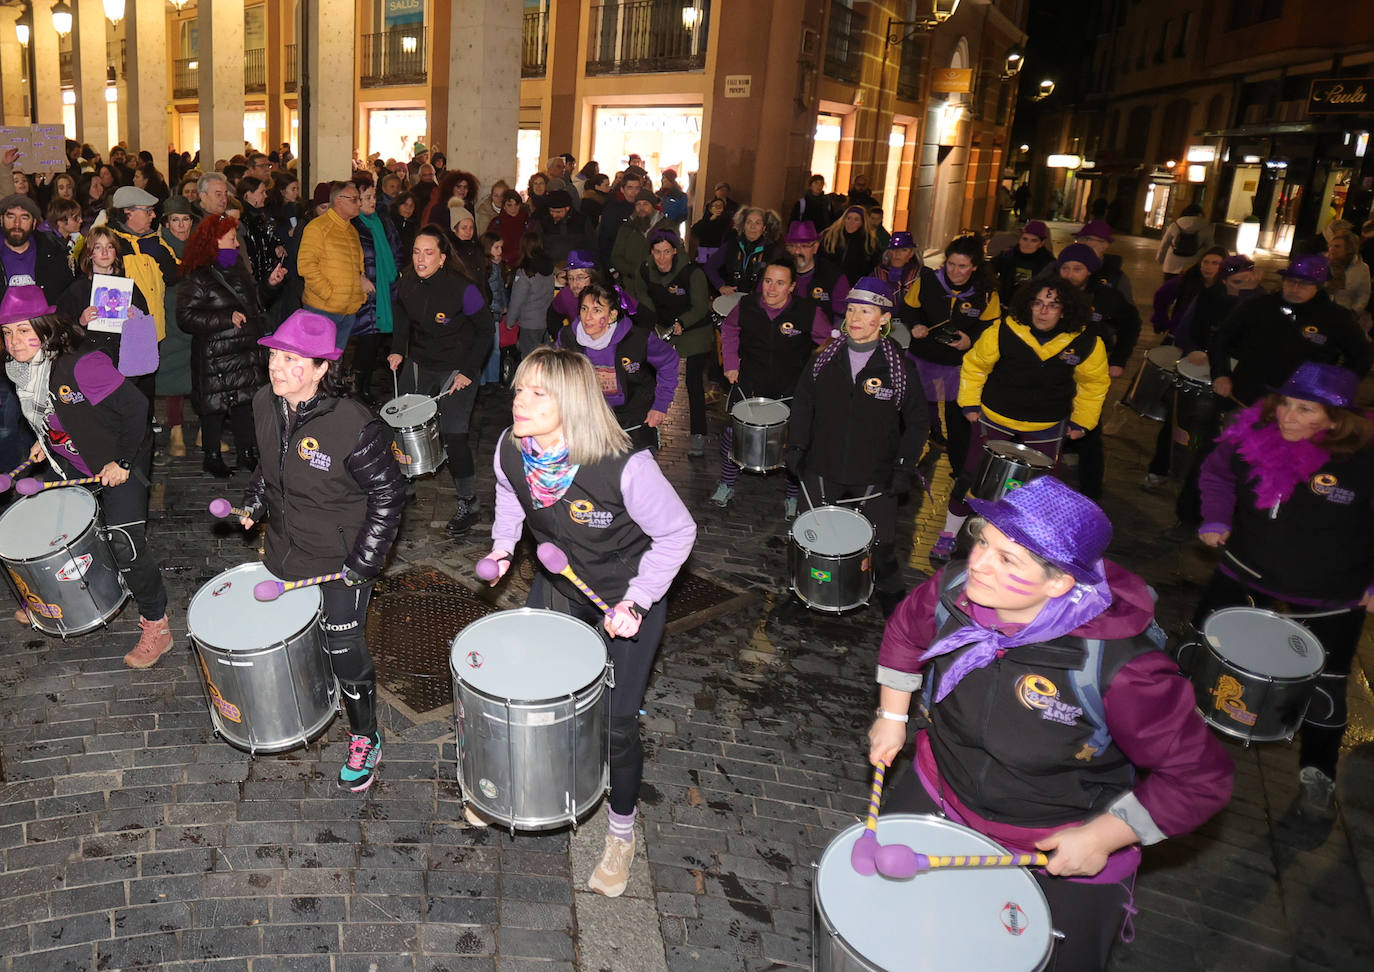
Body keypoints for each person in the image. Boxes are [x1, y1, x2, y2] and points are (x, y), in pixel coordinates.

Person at [871, 475, 1233, 970]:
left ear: (1061, 581)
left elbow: (1200, 779)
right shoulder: (952, 590)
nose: (976, 563)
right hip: (940, 790)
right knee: (886, 922)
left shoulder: (1127, 672)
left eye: (1007, 559)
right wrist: (891, 715)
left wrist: (1103, 838)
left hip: (1053, 840)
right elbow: (905, 631)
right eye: (983, 542)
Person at [483, 346, 696, 896]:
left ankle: (621, 833)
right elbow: (510, 494)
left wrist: (639, 600)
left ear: (572, 400)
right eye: (519, 389)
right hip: (559, 581)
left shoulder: (625, 466)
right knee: (534, 691)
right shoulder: (512, 448)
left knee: (616, 723)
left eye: (538, 393)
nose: (519, 402)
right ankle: (523, 788)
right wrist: (505, 548)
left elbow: (679, 533)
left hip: (624, 596)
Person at [1196, 362, 1373, 822]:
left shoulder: (1363, 461)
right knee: (1200, 650)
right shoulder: (1251, 434)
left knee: (1327, 683)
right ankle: (1174, 730)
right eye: (1286, 405)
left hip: (1330, 592)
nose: (1288, 418)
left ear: (1334, 420)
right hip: (1245, 567)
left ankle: (1318, 772)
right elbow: (1216, 474)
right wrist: (1216, 517)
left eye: (1305, 410)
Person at [241, 311, 405, 791]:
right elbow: (270, 464)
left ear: (319, 369)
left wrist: (363, 563)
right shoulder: (262, 404)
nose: (275, 365)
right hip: (286, 548)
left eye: (290, 358)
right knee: (292, 634)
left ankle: (365, 735)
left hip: (342, 559)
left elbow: (389, 496)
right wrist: (255, 499)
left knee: (344, 646)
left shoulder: (354, 425)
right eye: (274, 353)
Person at [0, 285, 174, 669]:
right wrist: (46, 443)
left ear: (46, 328)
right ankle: (60, 601)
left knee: (125, 542)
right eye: (8, 332)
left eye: (25, 330)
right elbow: (54, 414)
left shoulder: (82, 365)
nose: (15, 341)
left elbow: (136, 409)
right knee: (58, 532)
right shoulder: (23, 368)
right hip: (74, 464)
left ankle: (157, 624)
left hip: (119, 458)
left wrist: (123, 463)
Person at [930, 277, 1109, 561]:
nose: (1043, 311)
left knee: (1038, 490)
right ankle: (949, 534)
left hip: (1047, 426)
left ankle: (1020, 544)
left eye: (1052, 305)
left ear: (1065, 309)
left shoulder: (1086, 342)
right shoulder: (1003, 330)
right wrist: (970, 404)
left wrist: (1082, 422)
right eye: (1037, 303)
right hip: (994, 417)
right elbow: (976, 365)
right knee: (971, 478)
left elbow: (1094, 384)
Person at [787, 278, 927, 616]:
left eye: (865, 311)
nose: (855, 318)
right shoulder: (822, 361)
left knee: (882, 543)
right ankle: (802, 593)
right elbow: (803, 404)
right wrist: (796, 447)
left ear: (883, 319)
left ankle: (891, 598)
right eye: (851, 310)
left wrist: (904, 467)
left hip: (875, 473)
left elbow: (919, 422)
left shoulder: (899, 369)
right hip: (823, 467)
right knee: (813, 538)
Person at [387, 226, 494, 534]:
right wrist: (397, 350)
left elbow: (486, 330)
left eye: (429, 252)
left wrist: (469, 372)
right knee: (401, 424)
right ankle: (405, 484)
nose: (421, 258)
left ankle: (468, 503)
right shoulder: (407, 281)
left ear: (443, 257)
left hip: (457, 368)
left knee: (453, 432)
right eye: (416, 252)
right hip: (421, 362)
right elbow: (403, 314)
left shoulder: (464, 289)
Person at [711, 255, 832, 515]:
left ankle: (792, 496)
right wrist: (730, 363)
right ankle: (726, 483)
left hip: (791, 388)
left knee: (793, 443)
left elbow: (830, 344)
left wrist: (815, 376)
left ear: (791, 287)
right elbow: (730, 329)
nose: (771, 288)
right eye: (767, 281)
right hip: (750, 382)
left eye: (779, 283)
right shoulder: (747, 305)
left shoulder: (808, 312)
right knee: (733, 434)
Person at [178, 213, 284, 477]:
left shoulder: (236, 267)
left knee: (244, 404)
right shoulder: (199, 275)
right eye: (231, 238)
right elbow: (185, 317)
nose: (236, 244)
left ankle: (247, 452)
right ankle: (211, 456)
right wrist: (225, 318)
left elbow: (253, 302)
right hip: (217, 354)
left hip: (244, 349)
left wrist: (270, 285)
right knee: (214, 407)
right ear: (214, 241)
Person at [901, 235, 1001, 479]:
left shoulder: (986, 293)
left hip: (959, 365)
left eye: (963, 266)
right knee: (912, 415)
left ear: (975, 266)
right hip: (923, 359)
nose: (955, 271)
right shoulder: (927, 281)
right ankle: (903, 466)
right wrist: (915, 325)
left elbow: (991, 326)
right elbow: (908, 308)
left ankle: (960, 472)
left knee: (959, 422)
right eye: (951, 264)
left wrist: (971, 339)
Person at [1054, 243, 1143, 500]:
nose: (1070, 274)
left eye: (1077, 269)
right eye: (1066, 268)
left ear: (1090, 271)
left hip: (1092, 373)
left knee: (1089, 431)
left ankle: (1091, 492)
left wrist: (1119, 360)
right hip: (1057, 370)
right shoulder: (1049, 293)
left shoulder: (1107, 296)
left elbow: (1132, 325)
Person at [557, 281, 678, 452]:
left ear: (612, 315)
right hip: (587, 417)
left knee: (633, 474)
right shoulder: (568, 338)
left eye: (597, 310)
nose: (588, 317)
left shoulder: (637, 338)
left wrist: (660, 405)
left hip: (632, 419)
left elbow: (669, 360)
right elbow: (554, 373)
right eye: (584, 309)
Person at [637, 229, 712, 456]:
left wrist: (683, 322)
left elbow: (700, 307)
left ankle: (698, 434)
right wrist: (652, 324)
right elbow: (644, 298)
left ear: (675, 251)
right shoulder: (645, 269)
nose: (661, 257)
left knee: (693, 383)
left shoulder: (692, 272)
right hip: (664, 328)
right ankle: (647, 428)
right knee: (648, 376)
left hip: (695, 331)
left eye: (666, 252)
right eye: (657, 252)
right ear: (651, 251)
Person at [295, 181, 366, 350]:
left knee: (335, 364)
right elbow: (305, 265)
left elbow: (359, 266)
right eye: (355, 199)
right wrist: (328, 294)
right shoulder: (317, 227)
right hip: (322, 308)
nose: (360, 203)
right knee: (316, 361)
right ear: (339, 201)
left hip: (348, 310)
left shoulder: (352, 231)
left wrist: (359, 295)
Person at [350, 182, 402, 405]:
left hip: (384, 289)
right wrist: (359, 277)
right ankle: (356, 387)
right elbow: (351, 258)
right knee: (366, 343)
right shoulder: (353, 226)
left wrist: (396, 272)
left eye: (374, 196)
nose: (373, 201)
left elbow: (396, 249)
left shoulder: (384, 222)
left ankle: (365, 386)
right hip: (366, 293)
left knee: (375, 342)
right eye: (367, 197)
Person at [156, 197, 196, 457]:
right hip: (170, 315)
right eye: (175, 220)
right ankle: (176, 429)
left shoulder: (200, 246)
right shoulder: (160, 248)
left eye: (185, 219)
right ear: (167, 223)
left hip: (197, 314)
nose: (181, 226)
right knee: (173, 375)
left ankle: (204, 432)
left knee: (201, 373)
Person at [1, 193, 76, 302]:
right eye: (11, 216)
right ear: (1, 219)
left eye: (24, 218)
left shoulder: (53, 252)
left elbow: (67, 297)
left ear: (34, 223)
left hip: (44, 318)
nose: (17, 224)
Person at [704, 206, 780, 297]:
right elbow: (709, 266)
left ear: (764, 228)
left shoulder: (772, 250)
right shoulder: (731, 244)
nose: (752, 227)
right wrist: (720, 285)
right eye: (749, 222)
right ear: (743, 225)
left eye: (757, 223)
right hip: (732, 297)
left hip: (759, 300)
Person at [785, 220, 850, 325]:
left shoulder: (833, 276)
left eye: (804, 246)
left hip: (820, 338)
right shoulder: (778, 271)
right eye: (792, 246)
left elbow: (843, 316)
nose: (797, 251)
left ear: (815, 247)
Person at [507, 231, 555, 358]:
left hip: (529, 323)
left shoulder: (524, 272)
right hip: (545, 321)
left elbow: (517, 300)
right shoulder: (549, 270)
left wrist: (510, 321)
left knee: (529, 359)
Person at [611, 191, 664, 301]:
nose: (641, 208)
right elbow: (616, 256)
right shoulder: (627, 229)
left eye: (645, 204)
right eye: (638, 204)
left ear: (653, 206)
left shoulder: (666, 228)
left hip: (658, 286)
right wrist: (634, 272)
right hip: (631, 287)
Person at [991, 220, 1055, 306]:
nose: (1027, 244)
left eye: (1033, 241)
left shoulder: (1048, 263)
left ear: (1041, 243)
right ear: (1020, 239)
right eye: (1025, 239)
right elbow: (988, 270)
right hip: (1004, 305)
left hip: (1031, 308)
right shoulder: (1007, 256)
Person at [819, 205, 882, 286]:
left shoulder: (870, 243)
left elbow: (873, 268)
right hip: (829, 284)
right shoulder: (830, 238)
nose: (851, 222)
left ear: (862, 222)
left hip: (854, 287)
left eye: (856, 219)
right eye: (848, 218)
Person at [1156, 204, 1213, 279]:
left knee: (1169, 289)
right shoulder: (1206, 227)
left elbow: (1165, 244)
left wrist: (1160, 259)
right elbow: (1210, 247)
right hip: (1192, 266)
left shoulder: (1175, 225)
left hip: (1171, 265)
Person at [688, 196, 730, 264]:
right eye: (716, 206)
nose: (718, 207)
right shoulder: (704, 221)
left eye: (720, 206)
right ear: (710, 209)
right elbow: (695, 230)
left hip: (718, 250)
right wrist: (710, 220)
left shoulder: (727, 221)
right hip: (703, 250)